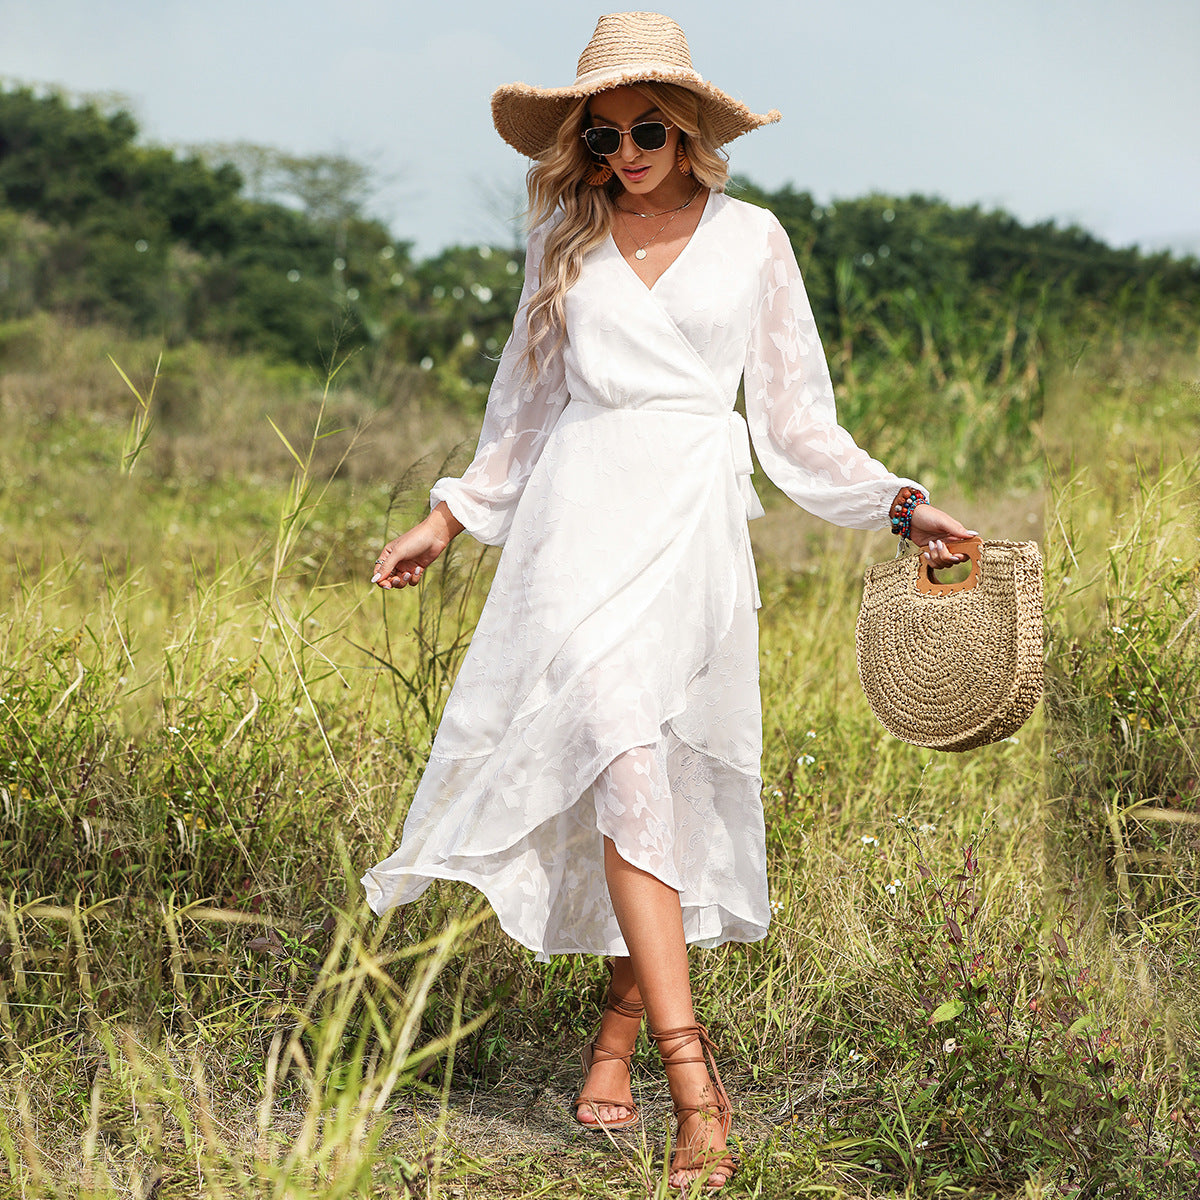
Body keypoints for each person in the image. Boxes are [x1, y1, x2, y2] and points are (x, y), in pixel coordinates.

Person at [363, 12, 972, 1190]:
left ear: (689, 129)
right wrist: (446, 518)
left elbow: (797, 426)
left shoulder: (754, 241)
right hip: (576, 521)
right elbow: (523, 410)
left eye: (646, 131)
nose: (625, 153)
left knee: (662, 773)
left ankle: (618, 1040)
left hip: (691, 525)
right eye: (602, 136)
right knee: (620, 754)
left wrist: (903, 506)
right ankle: (700, 1092)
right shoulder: (564, 238)